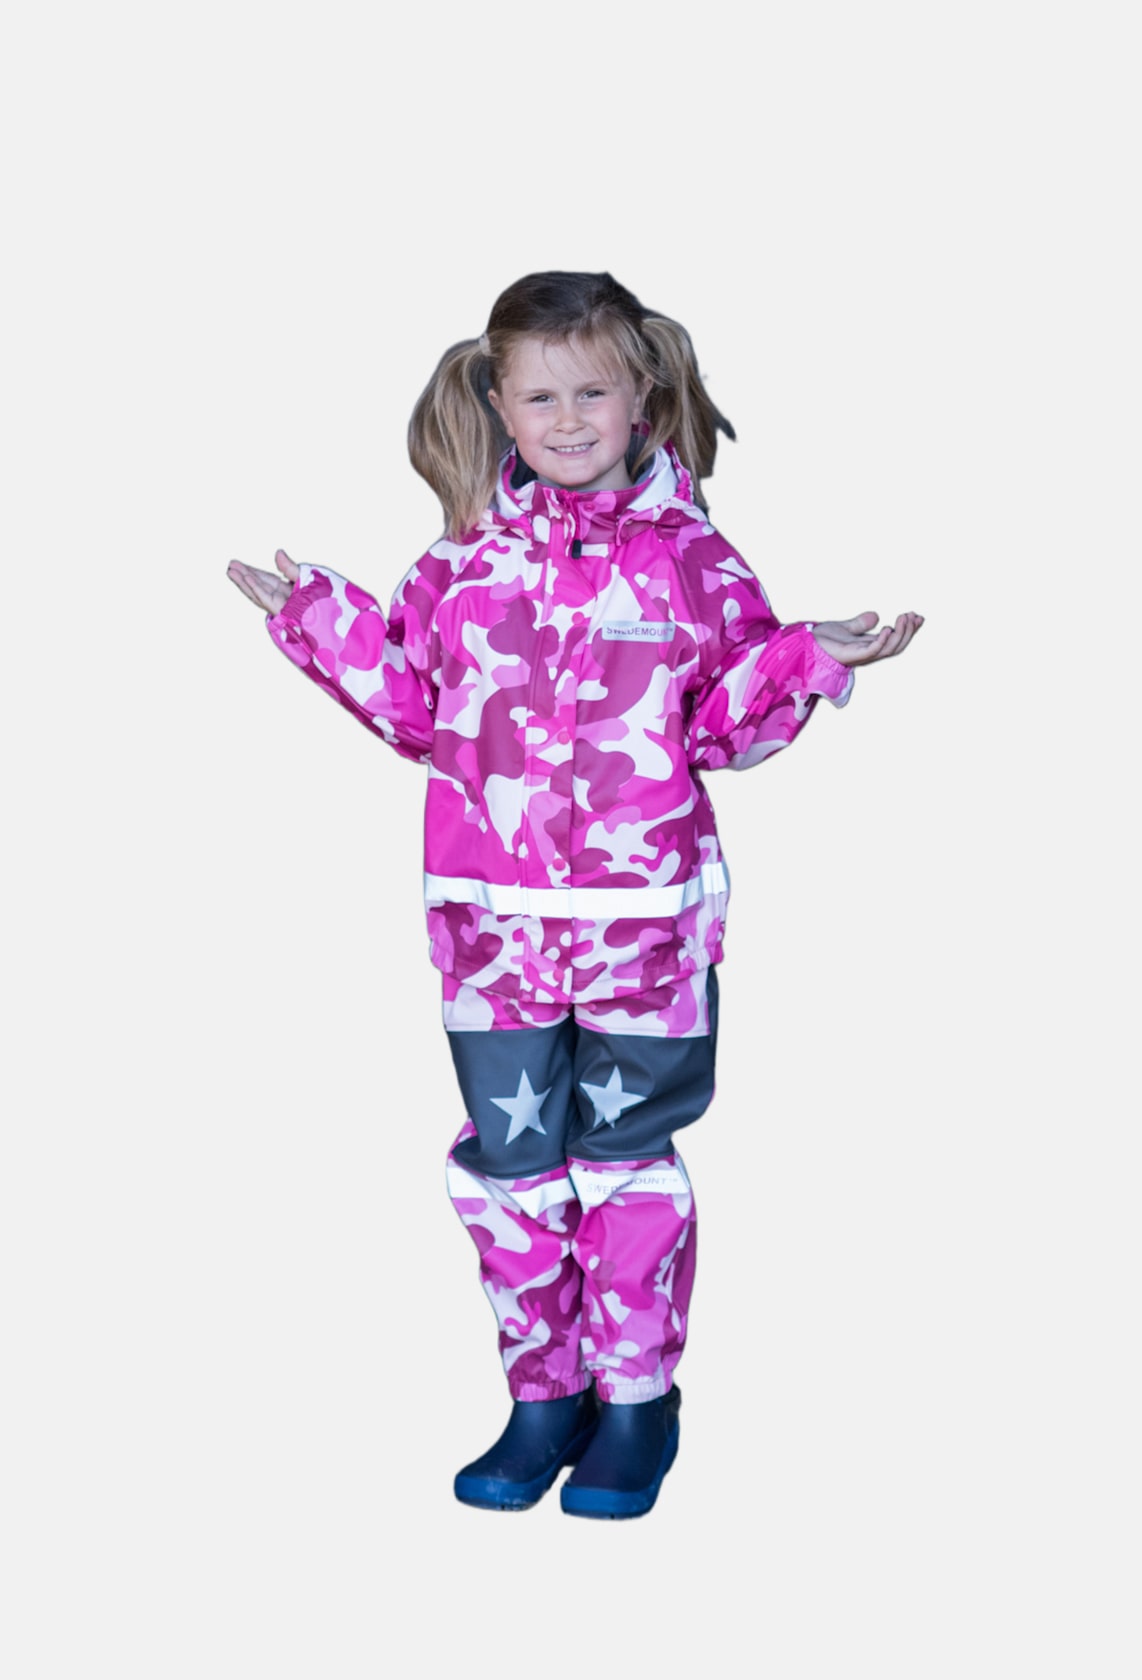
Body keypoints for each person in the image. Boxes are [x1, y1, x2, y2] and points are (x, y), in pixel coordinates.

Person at [227, 270, 923, 1520]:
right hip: (489, 928)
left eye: (592, 392)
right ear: (497, 403)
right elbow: (416, 714)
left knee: (624, 1163)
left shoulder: (692, 560)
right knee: (510, 1167)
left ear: (641, 394)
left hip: (641, 927)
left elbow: (720, 728)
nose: (567, 419)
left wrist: (806, 657)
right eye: (540, 397)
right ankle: (543, 1396)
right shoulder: (462, 562)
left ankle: (637, 1401)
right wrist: (324, 626)